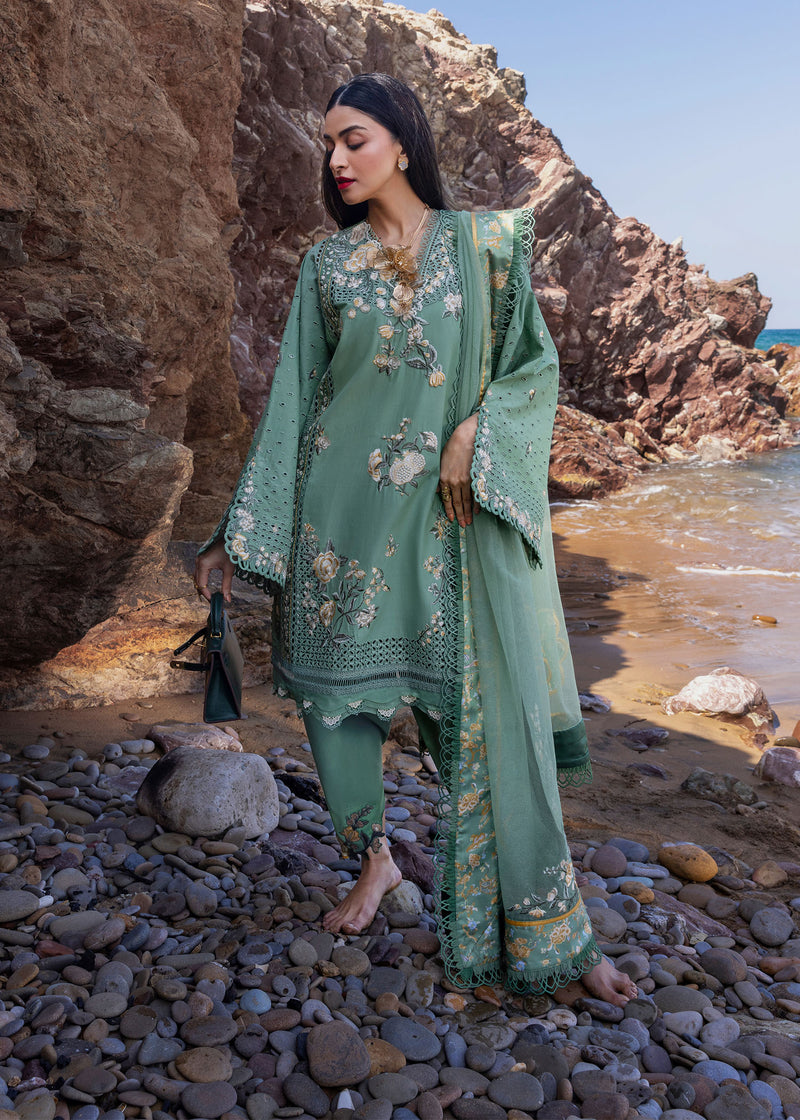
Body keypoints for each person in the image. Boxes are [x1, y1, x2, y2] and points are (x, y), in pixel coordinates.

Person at [195, 73, 636, 1003]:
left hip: (452, 523)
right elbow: (294, 402)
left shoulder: (488, 246)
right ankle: (374, 859)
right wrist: (238, 534)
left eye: (353, 138)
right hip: (337, 526)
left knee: (489, 721)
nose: (336, 158)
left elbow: (533, 370)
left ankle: (551, 926)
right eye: (328, 144)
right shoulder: (327, 267)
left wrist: (476, 433)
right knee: (332, 702)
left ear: (402, 140)